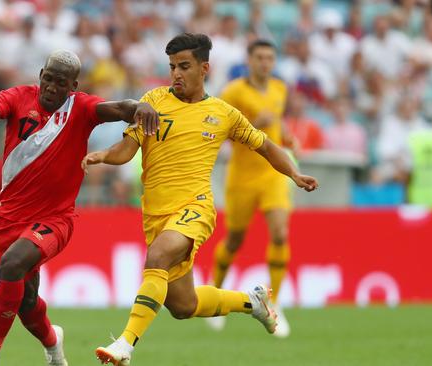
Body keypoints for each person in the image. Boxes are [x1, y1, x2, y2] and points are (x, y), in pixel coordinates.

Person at [83, 33, 318, 365]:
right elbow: (127, 149)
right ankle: (253, 302)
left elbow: (265, 145)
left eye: (184, 66)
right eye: (171, 67)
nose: (176, 73)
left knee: (158, 256)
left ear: (204, 68)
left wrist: (293, 173)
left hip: (195, 208)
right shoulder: (153, 101)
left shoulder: (222, 113)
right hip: (155, 214)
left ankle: (125, 344)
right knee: (183, 306)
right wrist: (103, 154)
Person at [0, 49, 158, 366]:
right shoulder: (18, 97)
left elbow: (118, 108)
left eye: (60, 82)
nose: (51, 87)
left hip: (55, 219)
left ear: (72, 86)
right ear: (40, 76)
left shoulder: (82, 109)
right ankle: (53, 346)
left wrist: (139, 107)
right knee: (26, 301)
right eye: (48, 79)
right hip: (9, 218)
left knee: (11, 265)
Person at [207, 39, 294, 337]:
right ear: (249, 60)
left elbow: (279, 126)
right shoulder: (233, 92)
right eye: (259, 57)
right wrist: (256, 123)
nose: (265, 63)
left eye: (270, 58)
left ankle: (276, 303)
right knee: (234, 240)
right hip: (242, 178)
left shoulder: (280, 89)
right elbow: (219, 132)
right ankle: (215, 294)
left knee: (281, 233)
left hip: (272, 175)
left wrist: (287, 136)